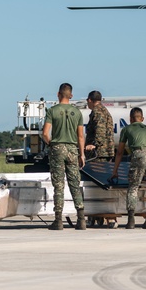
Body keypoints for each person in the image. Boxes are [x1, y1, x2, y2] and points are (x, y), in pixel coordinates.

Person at [41, 83, 86, 230]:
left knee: (58, 185)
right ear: (71, 95)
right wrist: (82, 154)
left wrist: (51, 145)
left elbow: (45, 134)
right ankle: (81, 219)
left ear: (58, 94)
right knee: (75, 184)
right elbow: (80, 136)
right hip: (73, 149)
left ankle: (58, 220)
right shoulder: (77, 112)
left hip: (57, 149)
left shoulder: (52, 111)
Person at [111, 107, 146, 229]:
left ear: (130, 119)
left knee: (133, 186)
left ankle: (131, 219)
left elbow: (120, 152)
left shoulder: (127, 129)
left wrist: (115, 170)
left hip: (139, 156)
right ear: (142, 119)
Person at [84, 90, 115, 163]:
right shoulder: (103, 110)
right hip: (104, 151)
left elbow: (100, 129)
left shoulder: (97, 111)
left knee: (96, 173)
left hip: (98, 153)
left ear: (89, 100)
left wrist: (95, 145)